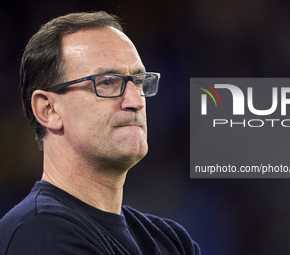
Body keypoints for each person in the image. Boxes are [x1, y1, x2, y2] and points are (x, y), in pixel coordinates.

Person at [0, 11, 200, 255]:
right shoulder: (39, 235)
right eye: (107, 82)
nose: (135, 100)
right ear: (49, 109)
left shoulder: (170, 240)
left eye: (138, 81)